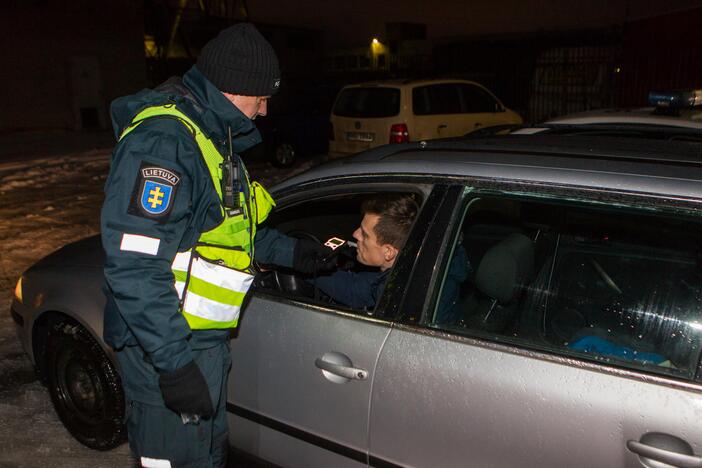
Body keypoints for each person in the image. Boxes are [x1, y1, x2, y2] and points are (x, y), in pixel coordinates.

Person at [101, 23, 330, 468]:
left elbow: (232, 231)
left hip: (202, 347)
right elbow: (133, 267)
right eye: (260, 97)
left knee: (207, 457)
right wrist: (174, 365)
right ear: (231, 87)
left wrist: (296, 253)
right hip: (166, 351)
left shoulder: (214, 139)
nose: (264, 111)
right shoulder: (165, 144)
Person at [312, 193, 471, 317]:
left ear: (388, 252)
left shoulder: (404, 301)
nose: (355, 234)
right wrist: (305, 261)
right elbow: (356, 290)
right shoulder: (407, 273)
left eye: (365, 235)